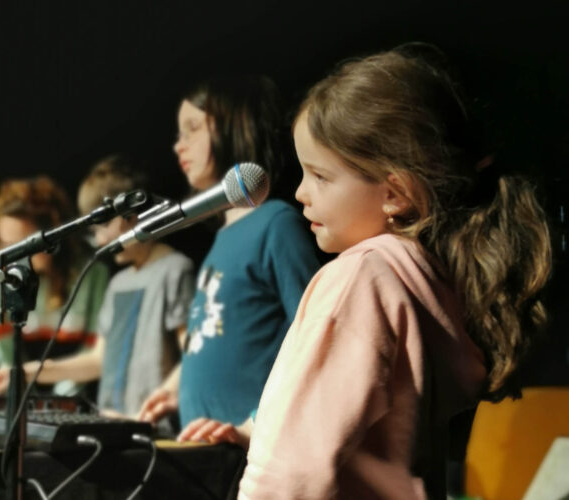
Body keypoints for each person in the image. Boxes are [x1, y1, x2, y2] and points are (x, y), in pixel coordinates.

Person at [178, 44, 552, 499]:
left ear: (394, 192)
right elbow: (354, 423)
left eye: (320, 176)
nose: (300, 192)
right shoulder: (430, 286)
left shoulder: (360, 278)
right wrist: (251, 430)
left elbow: (295, 472)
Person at [138, 76, 321, 429]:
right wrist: (174, 387)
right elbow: (212, 331)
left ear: (236, 127)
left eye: (192, 129)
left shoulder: (276, 223)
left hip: (248, 446)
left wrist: (254, 426)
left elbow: (313, 336)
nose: (179, 146)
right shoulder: (222, 237)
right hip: (205, 446)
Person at [0, 156, 196, 422]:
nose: (98, 240)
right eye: (92, 231)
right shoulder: (118, 282)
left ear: (130, 215)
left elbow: (194, 352)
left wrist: (163, 396)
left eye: (102, 227)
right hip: (112, 420)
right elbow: (98, 361)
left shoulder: (174, 270)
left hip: (153, 426)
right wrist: (27, 371)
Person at [0, 176, 109, 387]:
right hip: (20, 390)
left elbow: (93, 350)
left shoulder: (92, 273)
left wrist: (59, 401)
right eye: (5, 244)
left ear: (51, 238)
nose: (12, 256)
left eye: (23, 243)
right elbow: (6, 357)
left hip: (78, 389)